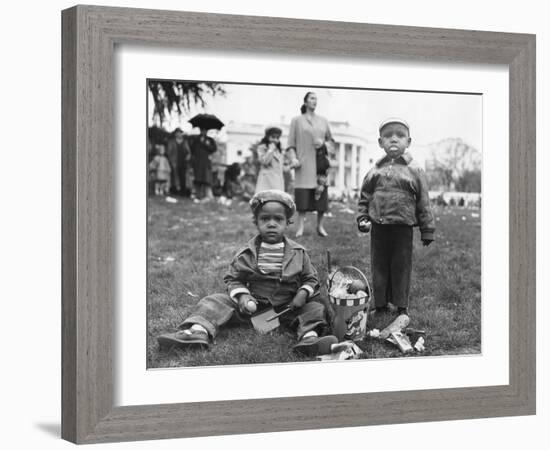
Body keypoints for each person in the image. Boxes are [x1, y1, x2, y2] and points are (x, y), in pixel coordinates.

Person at [157, 189, 337, 356]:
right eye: (265, 219)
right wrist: (243, 297)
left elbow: (310, 278)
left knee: (315, 307)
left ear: (288, 223)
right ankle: (198, 331)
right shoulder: (247, 253)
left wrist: (303, 293)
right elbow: (233, 279)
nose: (272, 224)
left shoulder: (299, 253)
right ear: (256, 223)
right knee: (215, 300)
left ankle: (309, 337)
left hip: (289, 308)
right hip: (253, 308)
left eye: (278, 219)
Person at [357, 118, 435, 315]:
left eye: (400, 135)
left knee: (401, 267)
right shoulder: (375, 170)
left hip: (403, 228)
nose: (394, 139)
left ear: (408, 142)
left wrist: (427, 229)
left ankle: (401, 307)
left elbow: (423, 200)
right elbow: (364, 197)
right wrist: (362, 217)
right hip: (379, 228)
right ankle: (381, 305)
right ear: (380, 142)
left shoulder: (415, 169)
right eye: (388, 136)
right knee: (379, 266)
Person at [287, 92, 333, 237]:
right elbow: (290, 144)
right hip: (304, 163)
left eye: (316, 99)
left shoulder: (323, 121)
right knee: (303, 197)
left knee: (321, 196)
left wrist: (324, 143)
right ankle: (300, 227)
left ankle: (320, 226)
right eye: (312, 98)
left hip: (320, 165)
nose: (315, 101)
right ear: (305, 101)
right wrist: (293, 158)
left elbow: (331, 141)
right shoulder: (296, 121)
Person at [188, 127, 217, 200]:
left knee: (206, 179)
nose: (204, 131)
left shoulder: (210, 140)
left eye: (205, 130)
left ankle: (207, 195)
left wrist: (206, 144)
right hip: (197, 162)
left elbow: (213, 149)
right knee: (198, 179)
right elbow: (192, 149)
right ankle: (198, 194)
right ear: (200, 130)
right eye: (202, 130)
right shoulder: (196, 139)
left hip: (206, 162)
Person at [255, 126, 285, 192]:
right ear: (267, 137)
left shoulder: (278, 151)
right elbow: (264, 162)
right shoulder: (262, 148)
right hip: (266, 183)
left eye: (277, 138)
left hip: (277, 184)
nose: (275, 140)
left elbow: (281, 168)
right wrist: (270, 150)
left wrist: (292, 165)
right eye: (273, 137)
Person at [166, 128, 191, 196]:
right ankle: (174, 191)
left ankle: (183, 191)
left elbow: (188, 152)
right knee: (174, 177)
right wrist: (171, 160)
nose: (179, 134)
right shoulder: (171, 141)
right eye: (177, 132)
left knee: (183, 177)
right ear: (175, 134)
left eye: (180, 132)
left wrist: (188, 156)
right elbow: (169, 152)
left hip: (183, 162)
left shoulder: (185, 142)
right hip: (174, 162)